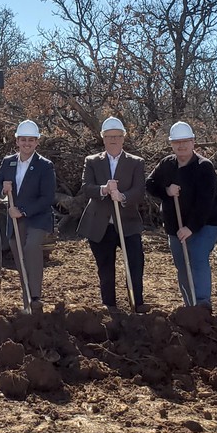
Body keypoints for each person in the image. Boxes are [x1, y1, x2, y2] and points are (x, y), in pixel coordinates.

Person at [145, 121, 217, 308]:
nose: (181, 145)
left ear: (193, 142)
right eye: (177, 142)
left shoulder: (204, 167)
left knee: (196, 256)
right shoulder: (166, 164)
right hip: (175, 226)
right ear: (171, 144)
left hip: (206, 224)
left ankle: (203, 303)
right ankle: (190, 306)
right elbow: (149, 184)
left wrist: (191, 227)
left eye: (185, 141)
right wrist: (166, 191)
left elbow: (206, 201)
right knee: (181, 264)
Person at [78, 116, 147, 311]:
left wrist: (122, 196)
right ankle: (110, 306)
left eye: (117, 136)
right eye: (109, 136)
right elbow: (86, 187)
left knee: (135, 263)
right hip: (101, 224)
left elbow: (139, 190)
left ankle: (137, 303)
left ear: (124, 138)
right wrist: (104, 190)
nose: (113, 140)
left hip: (128, 223)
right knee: (105, 267)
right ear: (103, 138)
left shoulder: (136, 162)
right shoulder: (92, 161)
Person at [0, 119, 56, 312]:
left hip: (37, 218)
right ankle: (27, 300)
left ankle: (36, 298)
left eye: (31, 140)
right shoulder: (8, 162)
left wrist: (24, 210)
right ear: (17, 141)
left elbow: (47, 197)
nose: (27, 143)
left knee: (31, 247)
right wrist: (2, 189)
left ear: (37, 142)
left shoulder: (45, 166)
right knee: (19, 256)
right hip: (14, 220)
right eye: (23, 139)